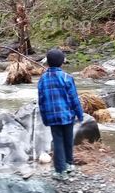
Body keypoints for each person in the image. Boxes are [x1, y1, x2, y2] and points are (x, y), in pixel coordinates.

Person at [36, 48, 84, 180]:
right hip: (68, 115)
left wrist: (45, 118)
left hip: (52, 116)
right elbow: (74, 99)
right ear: (62, 62)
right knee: (68, 140)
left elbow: (41, 100)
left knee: (57, 141)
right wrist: (80, 115)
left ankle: (60, 171)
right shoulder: (67, 77)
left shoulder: (42, 79)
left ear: (47, 63)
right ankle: (69, 165)